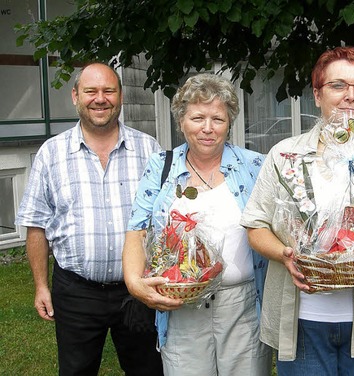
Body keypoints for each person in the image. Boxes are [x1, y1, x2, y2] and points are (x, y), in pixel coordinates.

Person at [239, 46, 354, 375]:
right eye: (338, 85)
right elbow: (256, 226)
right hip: (302, 322)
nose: (350, 96)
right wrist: (285, 253)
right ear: (317, 94)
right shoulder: (286, 155)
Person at [14, 62, 163, 375]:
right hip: (76, 291)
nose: (100, 98)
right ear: (75, 96)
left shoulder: (148, 149)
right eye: (91, 91)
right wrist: (41, 286)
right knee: (76, 370)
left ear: (120, 97)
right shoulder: (51, 153)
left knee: (148, 369)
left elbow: (166, 220)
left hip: (136, 289)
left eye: (109, 90)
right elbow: (36, 225)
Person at [122, 73, 272, 375]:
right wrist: (135, 284)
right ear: (181, 121)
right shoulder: (161, 167)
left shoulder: (255, 165)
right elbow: (137, 231)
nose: (207, 128)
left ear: (229, 122)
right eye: (197, 117)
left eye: (217, 118)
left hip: (242, 306)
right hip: (180, 306)